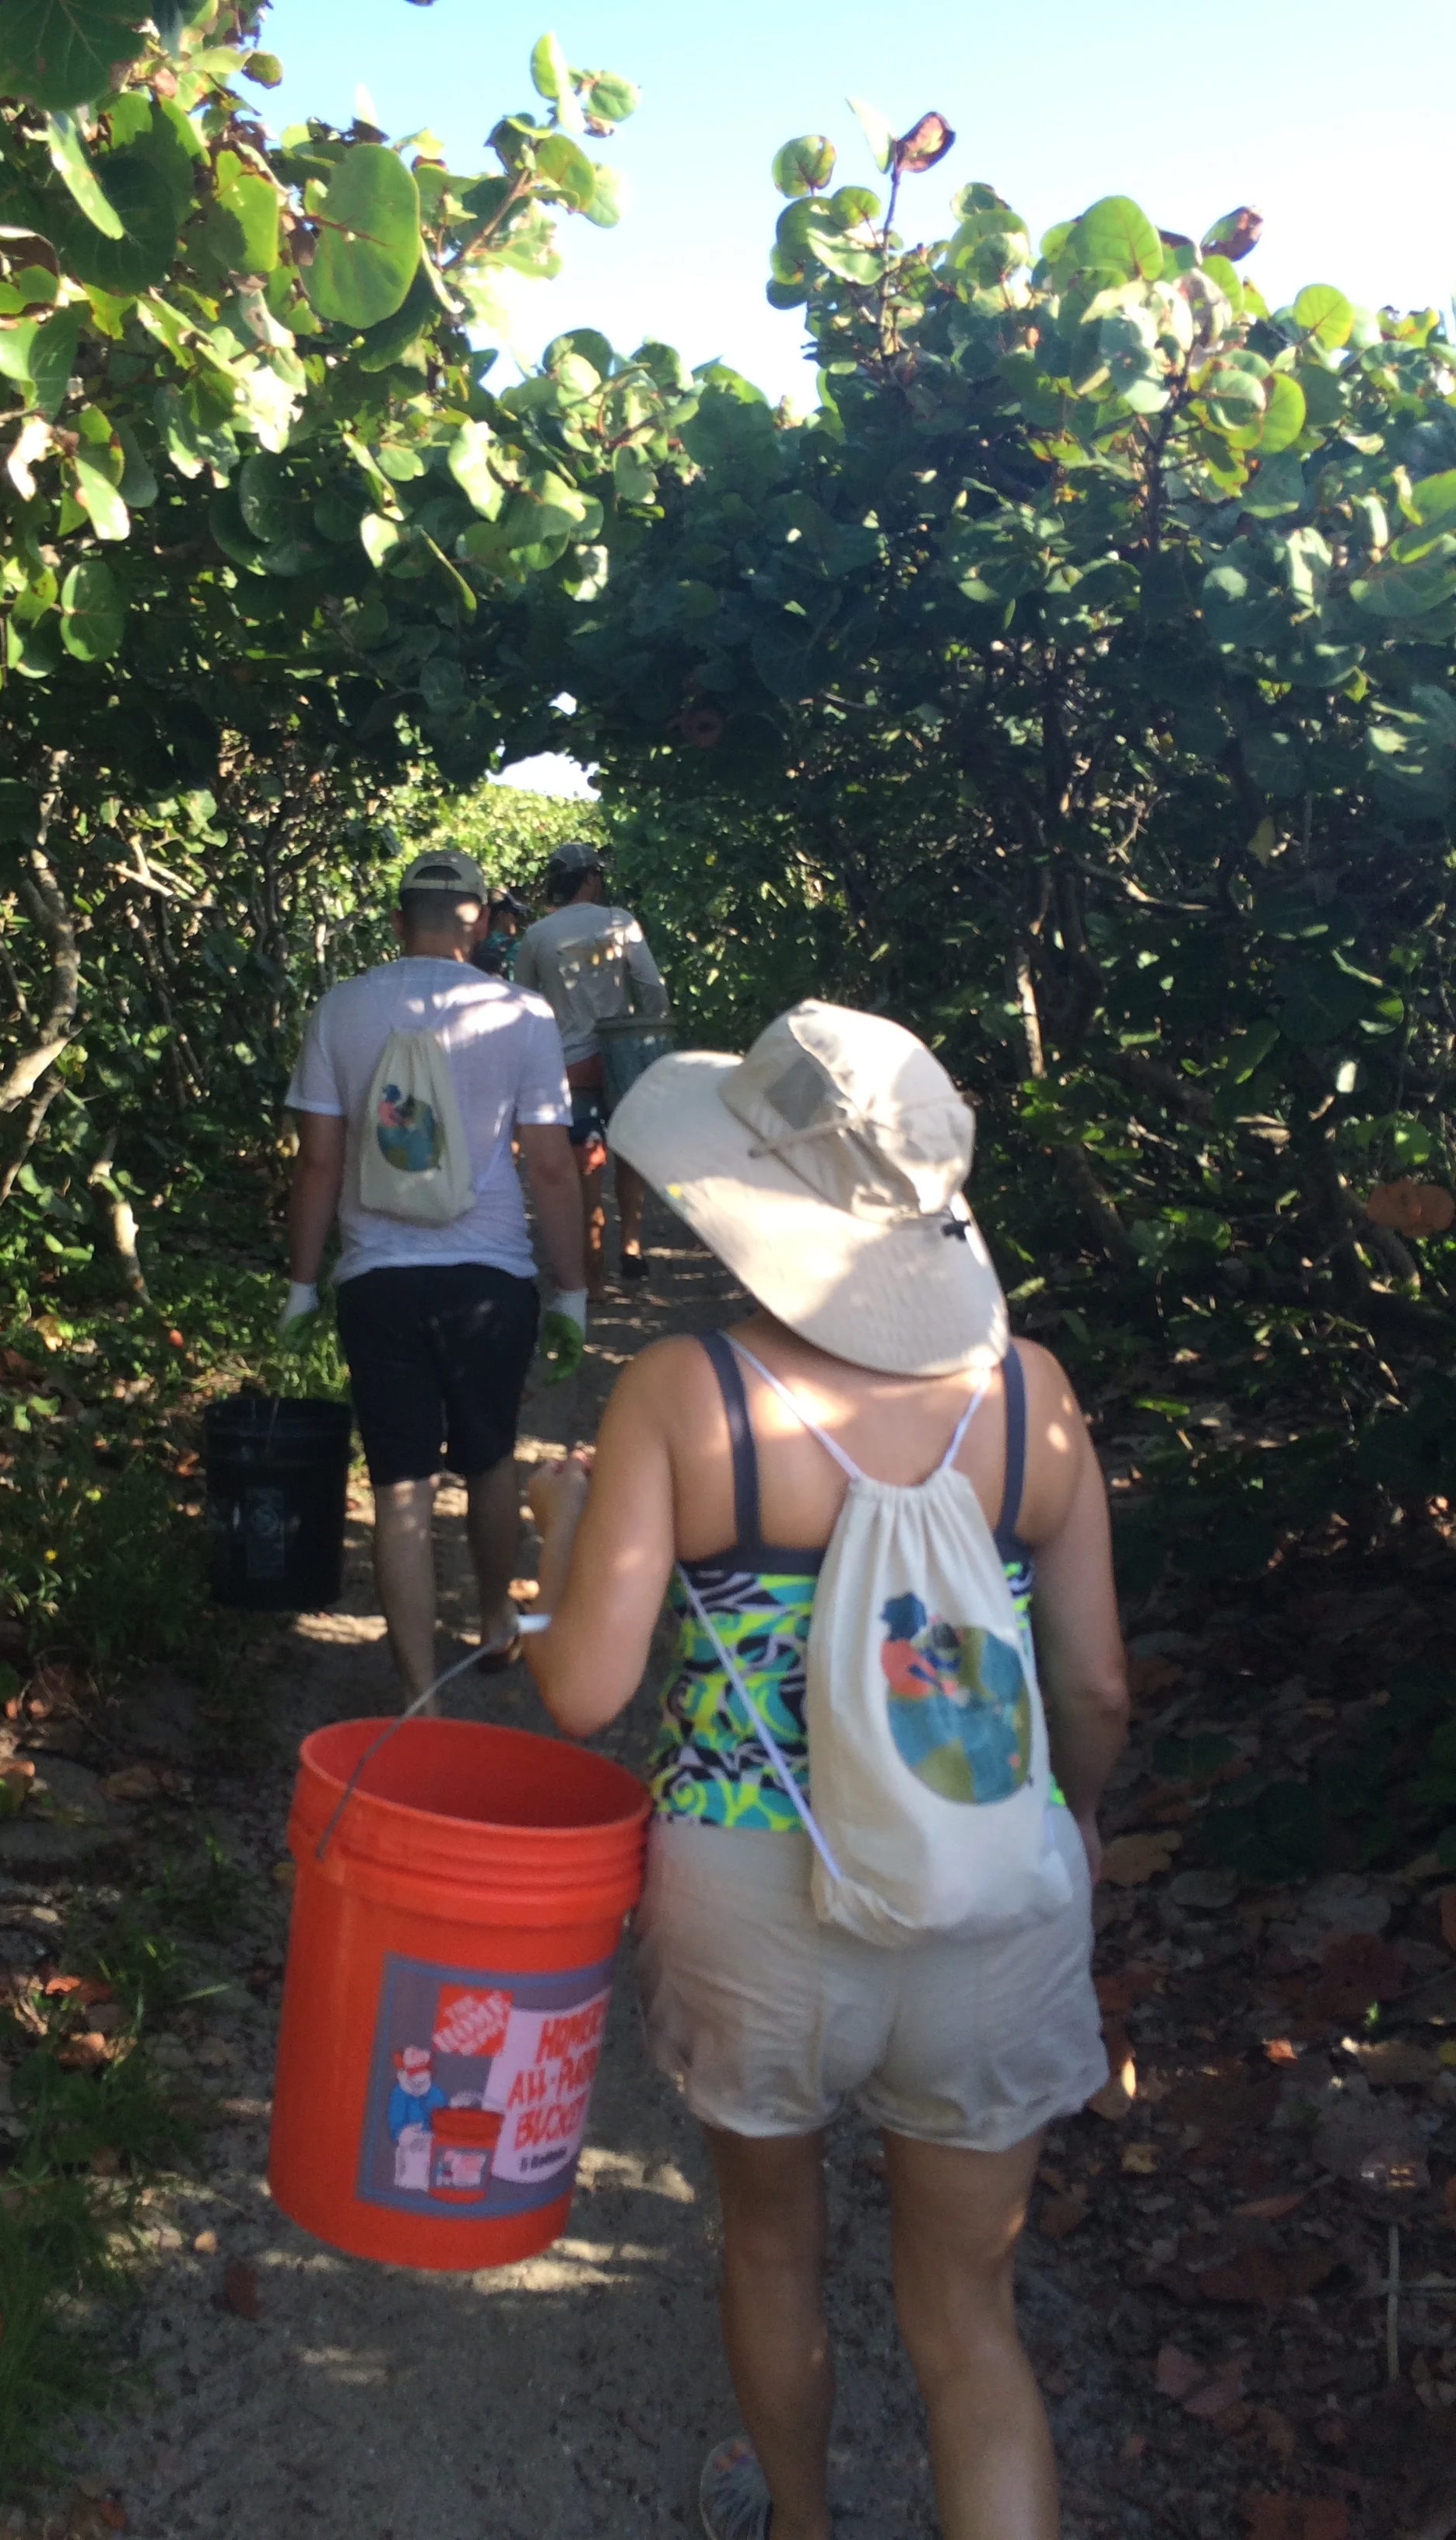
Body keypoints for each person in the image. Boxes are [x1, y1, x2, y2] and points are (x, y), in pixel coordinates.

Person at [521, 1002, 1129, 2540]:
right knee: (968, 2318)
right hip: (990, 1877)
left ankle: (796, 2517)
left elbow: (584, 1692)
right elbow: (1096, 1685)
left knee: (773, 2243)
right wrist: (1076, 1816)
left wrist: (550, 1543)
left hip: (753, 1888)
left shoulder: (684, 1391)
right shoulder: (1034, 1394)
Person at [281, 848, 589, 1703]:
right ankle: (493, 1621)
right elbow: (552, 1166)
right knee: (489, 1460)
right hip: (490, 1279)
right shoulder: (522, 1015)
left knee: (400, 1488)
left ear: (397, 921)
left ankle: (418, 1694)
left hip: (376, 1279)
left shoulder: (341, 1009)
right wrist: (572, 1292)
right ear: (481, 922)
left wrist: (302, 1285)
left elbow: (317, 1163)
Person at [514, 839, 669, 1291]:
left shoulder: (538, 935)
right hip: (622, 1056)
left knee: (587, 1163)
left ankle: (593, 1270)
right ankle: (632, 1250)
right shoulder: (619, 922)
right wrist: (650, 1029)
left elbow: (523, 1001)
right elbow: (651, 986)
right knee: (630, 1155)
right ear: (589, 878)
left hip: (569, 1064)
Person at [470, 886, 529, 979]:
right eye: (515, 914)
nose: (516, 920)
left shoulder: (470, 944)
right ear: (501, 915)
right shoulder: (517, 949)